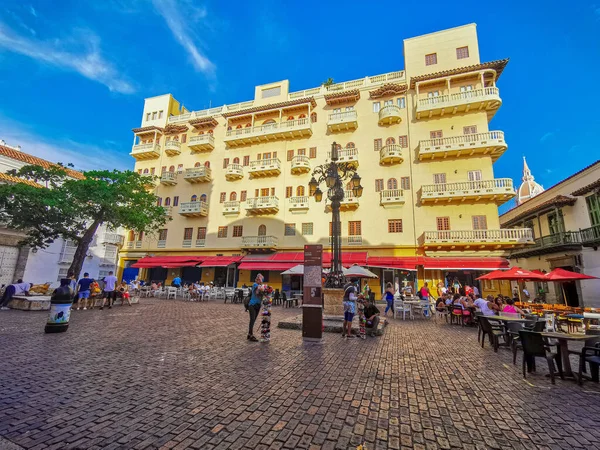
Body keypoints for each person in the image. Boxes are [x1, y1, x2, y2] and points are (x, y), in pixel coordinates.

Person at [247, 274, 264, 342]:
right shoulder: (255, 285)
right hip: (252, 305)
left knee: (253, 320)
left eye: (261, 279)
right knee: (252, 319)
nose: (261, 280)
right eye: (260, 279)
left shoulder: (260, 286)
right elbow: (259, 290)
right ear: (257, 279)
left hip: (258, 305)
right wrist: (263, 288)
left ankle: (249, 334)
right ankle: (251, 335)